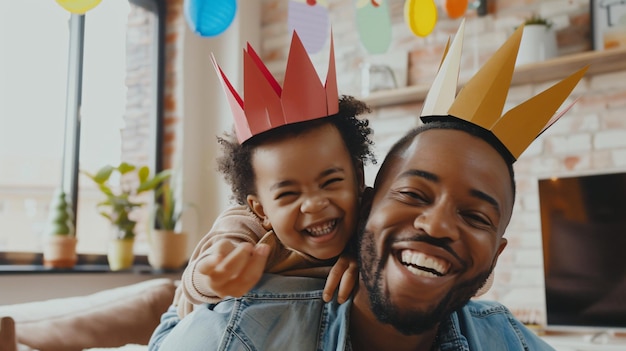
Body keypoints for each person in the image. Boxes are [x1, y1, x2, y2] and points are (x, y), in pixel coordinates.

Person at [149, 23, 587, 350]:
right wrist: (205, 280)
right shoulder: (239, 294)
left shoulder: (505, 337)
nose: (435, 226)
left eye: (475, 216)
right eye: (414, 194)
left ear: (360, 189)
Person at [172, 31, 376, 318]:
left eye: (330, 182)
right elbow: (204, 271)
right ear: (261, 209)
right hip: (180, 319)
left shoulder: (373, 214)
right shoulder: (247, 227)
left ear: (358, 177)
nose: (314, 204)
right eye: (288, 194)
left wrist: (362, 258)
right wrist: (215, 274)